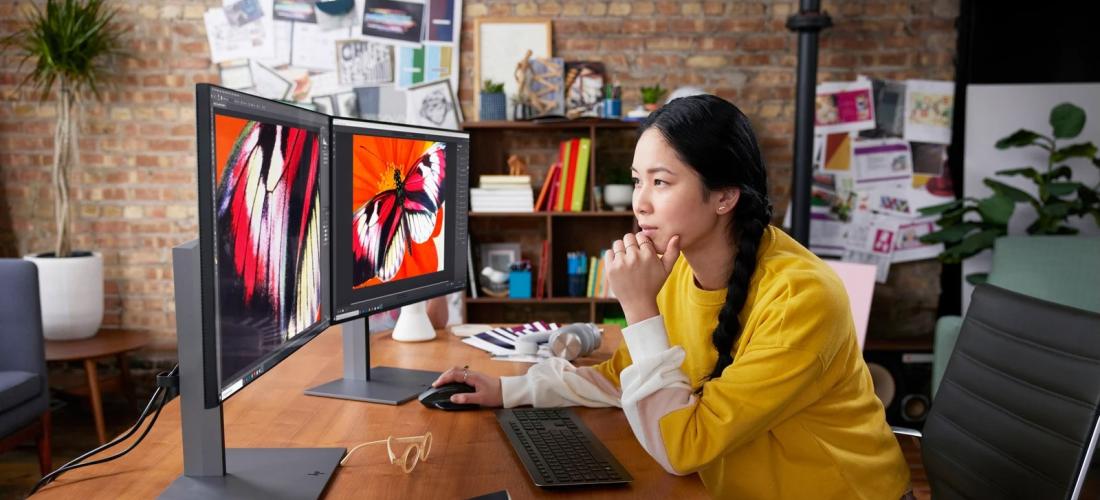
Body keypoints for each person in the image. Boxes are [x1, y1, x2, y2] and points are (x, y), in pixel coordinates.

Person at [433, 95, 911, 498]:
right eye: (638, 179)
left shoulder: (801, 298)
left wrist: (640, 309)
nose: (640, 201)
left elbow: (683, 449)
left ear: (724, 197)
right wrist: (510, 390)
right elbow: (626, 378)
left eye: (660, 182)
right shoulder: (683, 265)